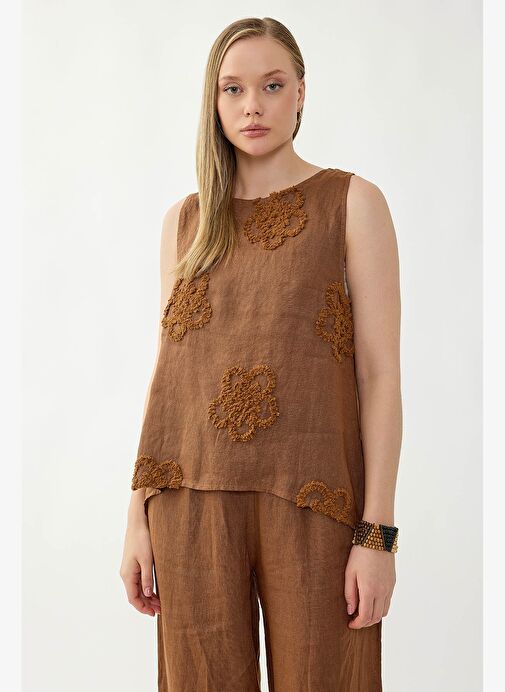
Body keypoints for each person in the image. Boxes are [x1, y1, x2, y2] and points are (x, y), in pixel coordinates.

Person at [120, 15, 401, 692]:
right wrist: (136, 517)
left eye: (272, 85)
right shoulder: (186, 222)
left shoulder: (351, 203)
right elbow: (168, 376)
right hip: (188, 499)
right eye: (233, 89)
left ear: (301, 92)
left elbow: (380, 376)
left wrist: (377, 535)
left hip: (313, 495)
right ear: (213, 102)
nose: (252, 106)